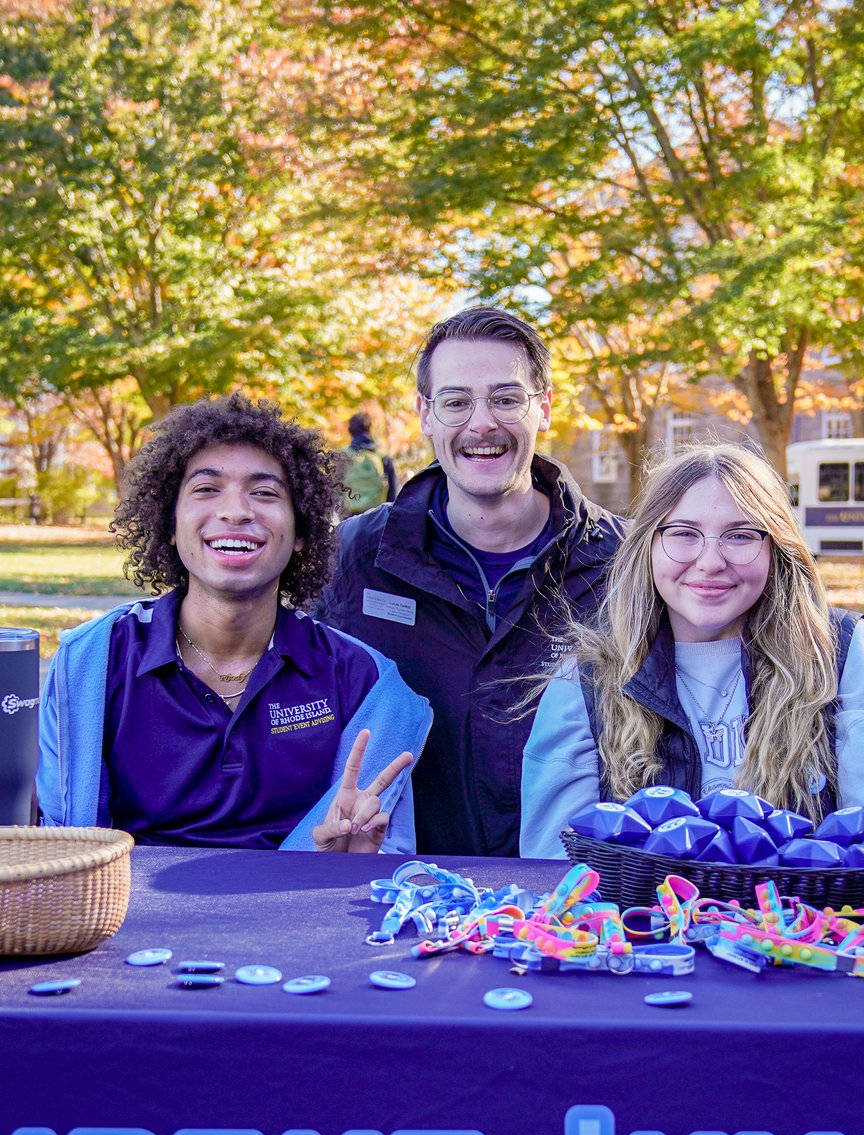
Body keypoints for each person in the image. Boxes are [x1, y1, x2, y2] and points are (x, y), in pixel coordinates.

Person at [37, 392, 432, 853]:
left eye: (264, 493)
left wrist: (346, 865)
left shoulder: (362, 680)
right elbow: (63, 852)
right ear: (170, 523)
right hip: (125, 919)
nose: (236, 511)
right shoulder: (93, 663)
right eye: (206, 489)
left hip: (295, 917)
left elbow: (381, 862)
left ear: (302, 531)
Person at [520, 442, 864, 857]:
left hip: (805, 922)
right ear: (646, 545)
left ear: (776, 547)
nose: (711, 560)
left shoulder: (844, 656)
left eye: (739, 535)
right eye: (683, 533)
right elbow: (556, 875)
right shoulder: (588, 680)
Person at [316, 306, 629, 856]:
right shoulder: (352, 558)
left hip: (578, 899)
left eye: (506, 399)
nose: (481, 423)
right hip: (404, 893)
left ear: (544, 408)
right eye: (456, 402)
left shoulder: (625, 562)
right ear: (425, 415)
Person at [342, 411, 398, 515]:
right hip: (377, 515)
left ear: (350, 430)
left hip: (349, 515)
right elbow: (392, 490)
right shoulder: (382, 455)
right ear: (369, 428)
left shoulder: (343, 456)